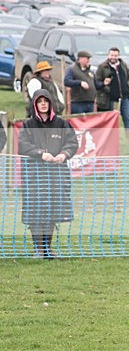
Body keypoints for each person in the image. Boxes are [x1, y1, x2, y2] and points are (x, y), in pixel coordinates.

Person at [17, 89, 78, 258]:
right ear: (35, 104)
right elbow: (22, 145)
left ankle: (47, 248)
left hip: (56, 175)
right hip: (34, 176)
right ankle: (38, 248)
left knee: (52, 210)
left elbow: (72, 143)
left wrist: (64, 154)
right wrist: (40, 153)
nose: (43, 104)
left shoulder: (61, 123)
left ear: (50, 103)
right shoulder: (28, 125)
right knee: (35, 211)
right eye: (39, 101)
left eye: (46, 101)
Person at [95, 47, 129, 149]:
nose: (113, 57)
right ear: (108, 55)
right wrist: (107, 87)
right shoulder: (102, 67)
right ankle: (110, 144)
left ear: (118, 56)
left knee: (128, 119)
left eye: (115, 55)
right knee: (112, 122)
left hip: (124, 97)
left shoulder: (123, 64)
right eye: (111, 55)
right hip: (110, 99)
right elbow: (97, 83)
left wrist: (128, 85)